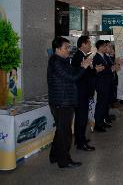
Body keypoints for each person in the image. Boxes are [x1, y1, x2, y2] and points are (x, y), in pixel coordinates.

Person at [47, 36, 91, 168]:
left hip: (66, 100)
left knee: (60, 131)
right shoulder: (56, 62)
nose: (69, 50)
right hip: (61, 101)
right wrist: (83, 67)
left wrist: (82, 68)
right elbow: (73, 77)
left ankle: (54, 156)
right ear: (58, 48)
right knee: (65, 133)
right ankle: (64, 161)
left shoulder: (63, 61)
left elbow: (73, 73)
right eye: (66, 48)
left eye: (69, 47)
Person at [71, 36, 99, 151]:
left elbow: (86, 73)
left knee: (81, 118)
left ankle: (80, 139)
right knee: (81, 118)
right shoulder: (79, 57)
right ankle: (80, 142)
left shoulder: (83, 56)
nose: (90, 46)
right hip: (80, 92)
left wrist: (94, 69)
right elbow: (80, 75)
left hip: (83, 92)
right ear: (83, 44)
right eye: (89, 44)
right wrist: (93, 70)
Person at [92, 40, 114, 132]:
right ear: (100, 47)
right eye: (105, 46)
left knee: (105, 104)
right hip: (101, 83)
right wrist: (111, 69)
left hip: (108, 82)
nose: (106, 48)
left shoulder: (105, 56)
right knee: (101, 104)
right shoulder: (96, 57)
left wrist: (113, 67)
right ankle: (98, 124)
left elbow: (109, 66)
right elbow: (100, 71)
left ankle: (103, 120)